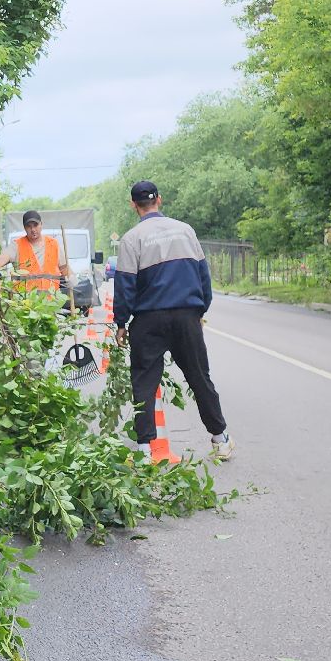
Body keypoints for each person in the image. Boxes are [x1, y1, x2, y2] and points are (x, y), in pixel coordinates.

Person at [112, 180, 234, 462]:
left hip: (148, 320)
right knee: (199, 377)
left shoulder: (131, 239)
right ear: (159, 200)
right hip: (185, 316)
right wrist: (199, 311)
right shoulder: (185, 230)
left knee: (144, 383)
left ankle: (145, 450)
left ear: (133, 205)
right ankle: (220, 439)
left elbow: (125, 285)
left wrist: (121, 323)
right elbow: (203, 276)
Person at [0, 209, 70, 300]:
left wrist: (71, 279)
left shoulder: (53, 244)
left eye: (35, 225)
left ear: (41, 224)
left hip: (51, 303)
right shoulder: (16, 245)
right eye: (29, 226)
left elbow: (65, 270)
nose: (33, 229)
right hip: (25, 304)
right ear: (24, 227)